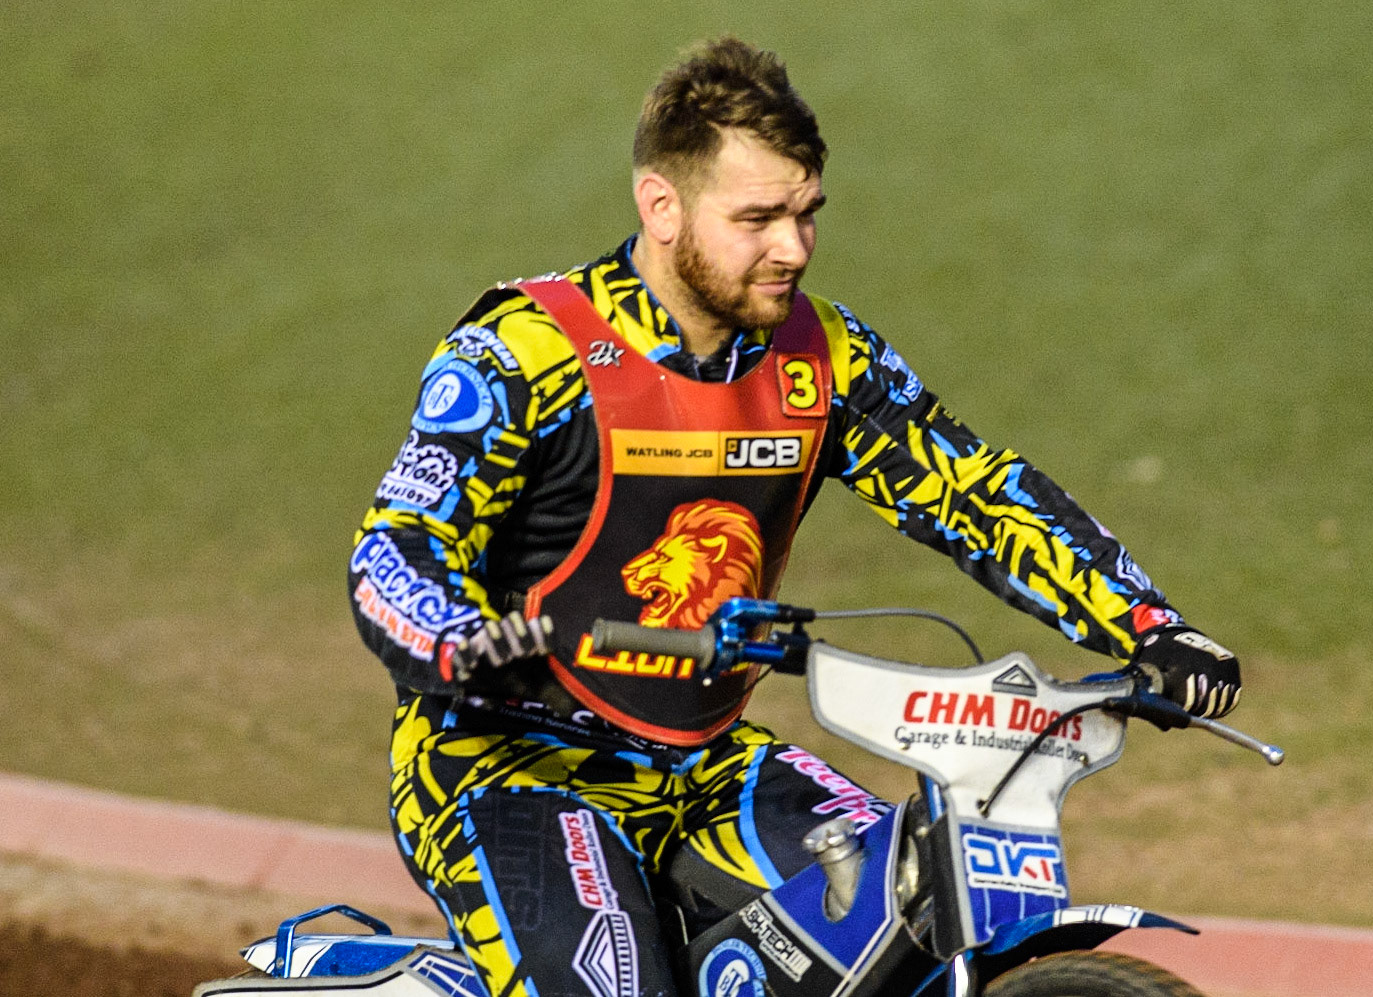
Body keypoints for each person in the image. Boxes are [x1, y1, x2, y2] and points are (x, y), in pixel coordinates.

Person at [350, 37, 1242, 997]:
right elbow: (395, 548)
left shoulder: (826, 357)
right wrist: (453, 638)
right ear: (662, 206)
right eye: (758, 218)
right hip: (504, 767)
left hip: (707, 764)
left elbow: (977, 493)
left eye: (807, 213)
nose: (794, 248)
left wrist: (1154, 626)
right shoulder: (522, 353)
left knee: (916, 926)